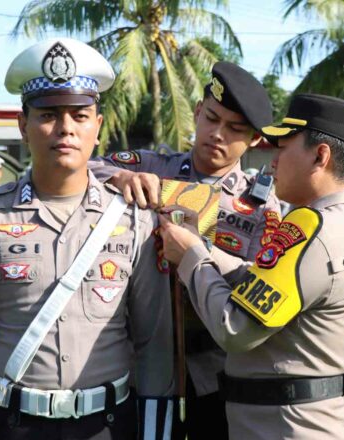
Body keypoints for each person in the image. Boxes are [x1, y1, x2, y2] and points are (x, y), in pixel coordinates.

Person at [0, 38, 174, 440]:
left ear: (97, 127)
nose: (65, 128)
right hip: (14, 424)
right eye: (48, 114)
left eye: (80, 115)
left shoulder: (134, 217)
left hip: (108, 425)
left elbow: (154, 342)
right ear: (22, 125)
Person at [159, 93, 344, 439]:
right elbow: (261, 283)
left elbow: (235, 327)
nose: (272, 163)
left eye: (283, 149)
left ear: (320, 156)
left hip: (290, 427)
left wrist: (190, 258)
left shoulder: (309, 230)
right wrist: (205, 249)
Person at [89, 61, 281, 440]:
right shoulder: (151, 166)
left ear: (256, 140)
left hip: (217, 369)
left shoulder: (261, 204)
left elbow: (261, 278)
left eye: (235, 129)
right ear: (196, 111)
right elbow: (83, 169)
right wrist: (122, 177)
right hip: (139, 360)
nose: (217, 134)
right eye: (211, 118)